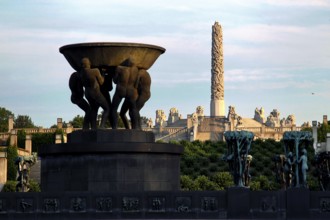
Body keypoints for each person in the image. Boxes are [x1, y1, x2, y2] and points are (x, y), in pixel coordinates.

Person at [79, 57, 109, 129]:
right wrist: (103, 74)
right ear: (88, 64)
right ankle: (102, 126)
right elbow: (101, 82)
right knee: (107, 108)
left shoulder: (81, 73)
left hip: (87, 94)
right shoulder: (95, 71)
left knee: (94, 109)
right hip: (96, 93)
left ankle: (94, 127)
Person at [110, 57, 140, 129]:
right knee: (133, 109)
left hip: (121, 90)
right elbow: (136, 83)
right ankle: (135, 127)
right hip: (131, 91)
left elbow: (115, 81)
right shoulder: (136, 70)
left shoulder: (119, 68)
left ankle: (114, 127)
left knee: (114, 108)